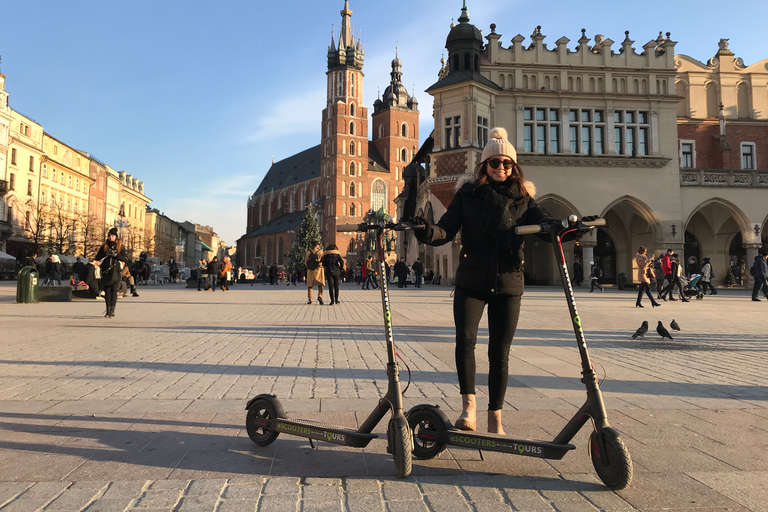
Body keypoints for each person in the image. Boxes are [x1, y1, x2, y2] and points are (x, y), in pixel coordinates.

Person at [412, 127, 554, 435]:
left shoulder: (524, 200)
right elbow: (446, 230)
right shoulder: (468, 194)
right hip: (472, 279)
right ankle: (469, 409)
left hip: (508, 281)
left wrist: (561, 227)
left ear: (514, 167)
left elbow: (543, 220)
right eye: (494, 163)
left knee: (499, 352)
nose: (500, 167)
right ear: (484, 166)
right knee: (465, 341)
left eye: (506, 163)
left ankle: (496, 418)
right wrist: (426, 230)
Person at [95, 227, 130, 318]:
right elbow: (97, 257)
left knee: (114, 291)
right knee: (107, 291)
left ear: (116, 237)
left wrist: (117, 255)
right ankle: (107, 310)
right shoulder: (104, 246)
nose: (111, 237)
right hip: (106, 271)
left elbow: (126, 259)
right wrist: (105, 254)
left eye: (113, 236)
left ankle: (112, 309)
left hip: (116, 271)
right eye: (109, 236)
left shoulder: (120, 247)